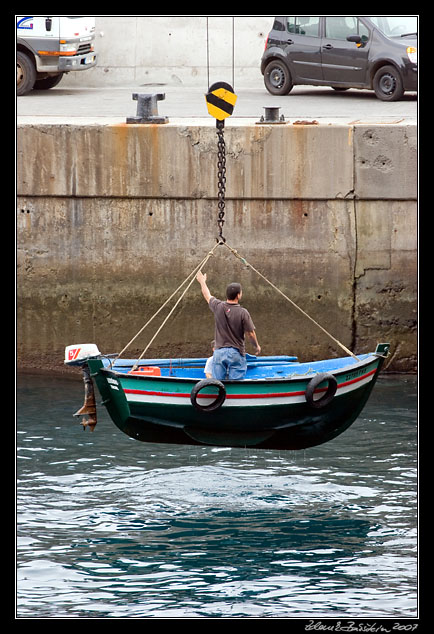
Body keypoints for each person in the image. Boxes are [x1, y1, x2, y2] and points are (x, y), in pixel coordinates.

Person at [196, 271, 261, 380]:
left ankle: (220, 397)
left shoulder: (218, 306)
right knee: (237, 384)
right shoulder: (243, 312)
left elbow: (207, 295)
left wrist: (202, 281)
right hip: (236, 352)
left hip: (219, 352)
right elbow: (250, 333)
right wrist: (256, 346)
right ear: (238, 295)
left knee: (218, 383)